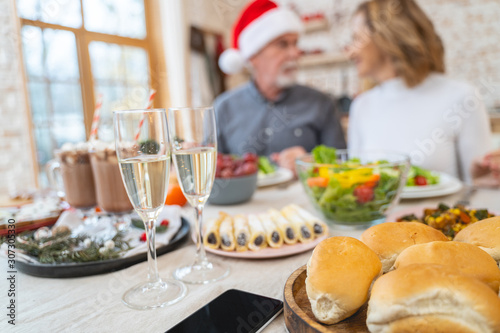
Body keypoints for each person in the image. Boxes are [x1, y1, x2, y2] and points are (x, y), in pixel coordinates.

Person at [346, 0, 493, 185]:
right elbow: (356, 184)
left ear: (385, 36)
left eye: (356, 39)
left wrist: (482, 183)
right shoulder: (361, 106)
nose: (349, 51)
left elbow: (481, 188)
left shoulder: (462, 97)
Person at [215, 0, 346, 172]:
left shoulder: (322, 103)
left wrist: (311, 163)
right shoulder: (223, 107)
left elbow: (342, 165)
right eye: (282, 44)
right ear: (253, 56)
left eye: (295, 43)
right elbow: (212, 172)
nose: (295, 53)